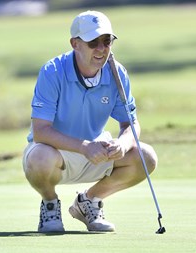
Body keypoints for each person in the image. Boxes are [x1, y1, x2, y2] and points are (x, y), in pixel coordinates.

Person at [22, 10, 158, 233]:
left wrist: (122, 144)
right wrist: (84, 147)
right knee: (39, 157)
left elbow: (130, 125)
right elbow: (41, 132)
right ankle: (49, 204)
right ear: (75, 43)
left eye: (107, 41)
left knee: (146, 157)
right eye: (93, 42)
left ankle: (89, 202)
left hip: (96, 152)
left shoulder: (117, 73)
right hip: (56, 152)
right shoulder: (53, 71)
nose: (101, 49)